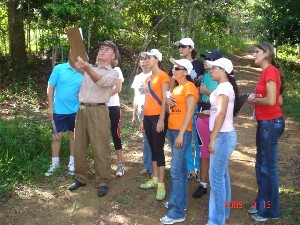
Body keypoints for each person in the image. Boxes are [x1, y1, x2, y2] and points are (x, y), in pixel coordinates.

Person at [68, 40, 119, 197]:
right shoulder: (89, 68)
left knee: (100, 147)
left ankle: (103, 180)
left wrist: (87, 67)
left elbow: (101, 81)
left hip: (99, 111)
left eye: (108, 50)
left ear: (113, 57)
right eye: (101, 49)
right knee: (79, 145)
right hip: (82, 109)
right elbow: (72, 63)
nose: (103, 51)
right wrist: (75, 46)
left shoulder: (113, 72)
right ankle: (80, 178)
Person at [247, 43, 285, 222]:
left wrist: (254, 99)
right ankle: (263, 203)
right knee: (261, 166)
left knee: (268, 168)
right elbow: (278, 98)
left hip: (270, 124)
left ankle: (271, 210)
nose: (253, 54)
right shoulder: (266, 72)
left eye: (257, 51)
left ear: (267, 53)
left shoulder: (270, 71)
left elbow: (271, 100)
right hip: (266, 123)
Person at [160, 58, 198, 224]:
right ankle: (179, 202)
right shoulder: (176, 88)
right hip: (172, 130)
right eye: (173, 68)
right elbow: (173, 110)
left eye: (177, 68)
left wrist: (182, 134)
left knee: (175, 170)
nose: (173, 70)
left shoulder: (190, 87)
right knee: (181, 170)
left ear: (185, 71)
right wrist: (168, 103)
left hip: (182, 132)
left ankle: (176, 212)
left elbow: (190, 112)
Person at [205, 58, 239, 225]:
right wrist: (209, 111)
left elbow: (222, 113)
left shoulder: (225, 87)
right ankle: (223, 213)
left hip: (222, 137)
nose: (210, 71)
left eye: (213, 69)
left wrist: (212, 138)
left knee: (216, 178)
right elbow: (218, 110)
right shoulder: (223, 86)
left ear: (223, 70)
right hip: (223, 135)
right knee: (222, 175)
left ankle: (216, 220)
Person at [171, 38, 204, 182]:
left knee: (196, 138)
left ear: (191, 48)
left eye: (183, 46)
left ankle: (198, 167)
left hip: (194, 104)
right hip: (180, 104)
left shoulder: (198, 65)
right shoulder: (177, 66)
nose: (180, 49)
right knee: (184, 137)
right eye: (179, 46)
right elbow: (172, 83)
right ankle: (189, 168)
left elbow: (205, 82)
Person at [45, 51, 83, 176]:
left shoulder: (83, 71)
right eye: (72, 53)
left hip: (76, 111)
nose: (74, 56)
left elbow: (87, 89)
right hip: (59, 111)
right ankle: (54, 164)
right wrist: (50, 106)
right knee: (56, 137)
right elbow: (51, 87)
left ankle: (72, 164)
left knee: (74, 137)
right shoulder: (59, 68)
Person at [139, 49, 169, 201]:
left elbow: (165, 100)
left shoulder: (163, 77)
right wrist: (142, 119)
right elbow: (146, 101)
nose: (146, 60)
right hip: (148, 117)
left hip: (158, 117)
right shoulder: (148, 79)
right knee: (152, 148)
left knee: (158, 149)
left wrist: (162, 119)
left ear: (156, 59)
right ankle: (155, 178)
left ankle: (161, 184)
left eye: (149, 58)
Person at [192, 50, 222, 198]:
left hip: (215, 113)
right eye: (205, 58)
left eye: (209, 59)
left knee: (215, 149)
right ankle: (203, 184)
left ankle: (217, 184)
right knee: (203, 148)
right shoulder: (204, 75)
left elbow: (224, 100)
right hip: (202, 110)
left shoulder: (222, 78)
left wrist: (207, 91)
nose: (205, 61)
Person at [131, 56, 153, 175]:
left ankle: (153, 166)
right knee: (145, 139)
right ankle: (147, 165)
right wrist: (134, 114)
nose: (144, 62)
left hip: (152, 110)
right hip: (140, 110)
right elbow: (136, 96)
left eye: (146, 59)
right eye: (142, 59)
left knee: (152, 139)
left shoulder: (153, 75)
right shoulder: (138, 77)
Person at [108, 66, 125, 177]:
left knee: (115, 134)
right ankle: (103, 165)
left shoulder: (116, 69)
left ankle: (120, 164)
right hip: (99, 107)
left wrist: (103, 96)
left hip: (113, 106)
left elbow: (118, 88)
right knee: (100, 136)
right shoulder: (97, 69)